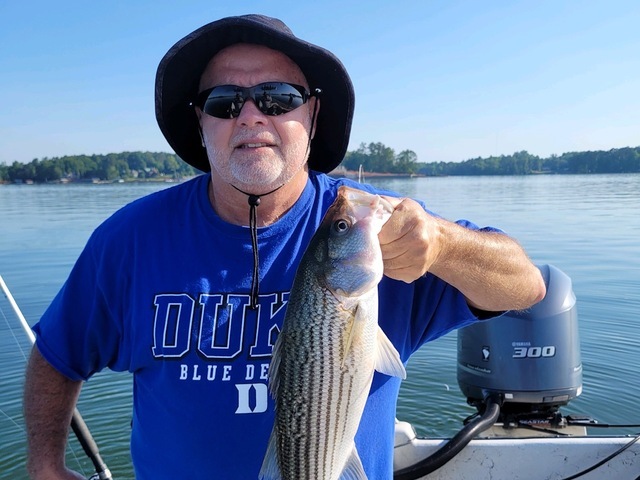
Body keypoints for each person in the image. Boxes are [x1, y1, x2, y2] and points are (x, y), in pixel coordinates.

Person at [23, 14, 546, 480]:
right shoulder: (129, 240)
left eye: (279, 98)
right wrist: (45, 464)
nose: (251, 116)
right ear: (201, 124)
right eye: (224, 103)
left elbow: (526, 285)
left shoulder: (383, 229)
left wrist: (444, 246)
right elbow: (56, 354)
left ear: (313, 117)